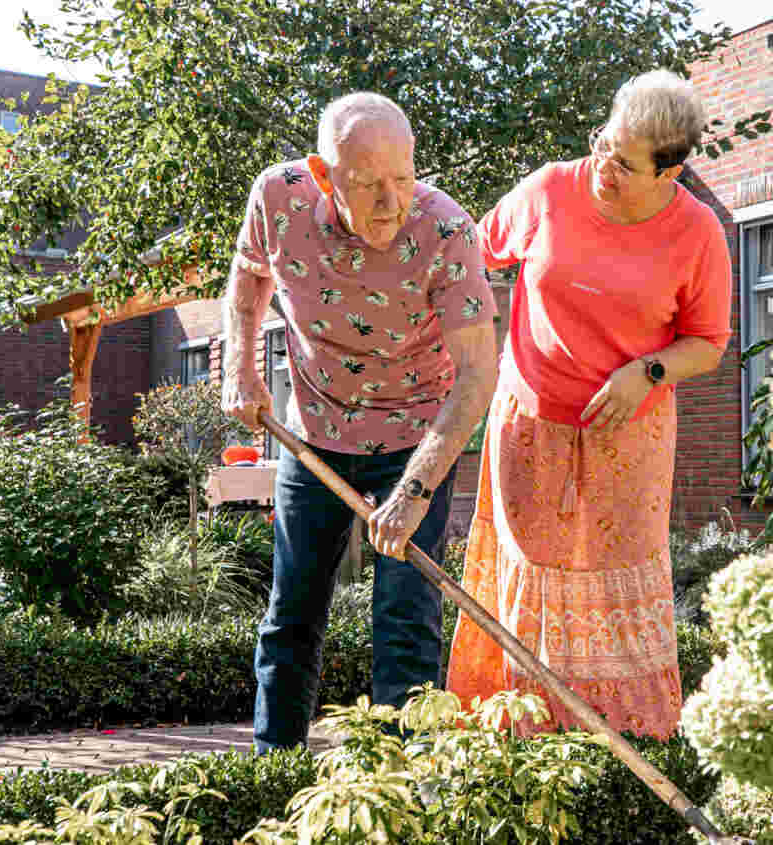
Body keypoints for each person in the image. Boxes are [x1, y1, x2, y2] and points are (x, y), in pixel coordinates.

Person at [446, 69, 732, 739]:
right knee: (533, 579)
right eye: (603, 144)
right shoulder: (550, 188)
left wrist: (649, 369)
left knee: (615, 584)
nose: (602, 166)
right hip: (530, 426)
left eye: (626, 163)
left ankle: (627, 748)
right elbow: (468, 250)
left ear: (672, 170)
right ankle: (515, 739)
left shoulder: (698, 235)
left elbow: (709, 342)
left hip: (628, 438)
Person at [221, 92, 498, 753]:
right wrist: (241, 365)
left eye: (402, 178)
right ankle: (273, 774)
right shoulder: (278, 197)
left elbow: (478, 376)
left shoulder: (446, 231)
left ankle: (399, 792)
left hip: (416, 440)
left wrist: (414, 491)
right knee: (292, 612)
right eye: (366, 182)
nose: (389, 202)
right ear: (323, 174)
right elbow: (247, 278)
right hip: (313, 432)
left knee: (406, 621)